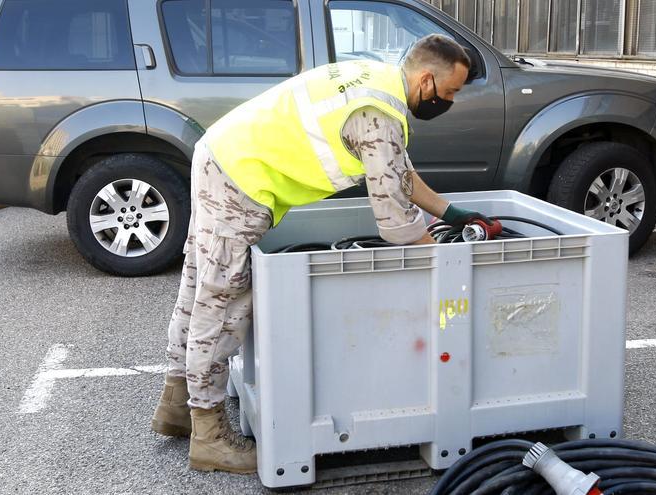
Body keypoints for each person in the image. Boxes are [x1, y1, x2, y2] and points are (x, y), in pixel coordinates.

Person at [150, 34, 492, 474]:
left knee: (199, 288)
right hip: (240, 184)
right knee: (223, 307)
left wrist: (452, 212)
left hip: (220, 159)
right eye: (450, 92)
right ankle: (209, 437)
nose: (450, 100)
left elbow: (399, 174)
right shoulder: (380, 116)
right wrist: (451, 265)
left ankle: (177, 407)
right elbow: (395, 224)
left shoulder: (373, 80)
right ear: (427, 80)